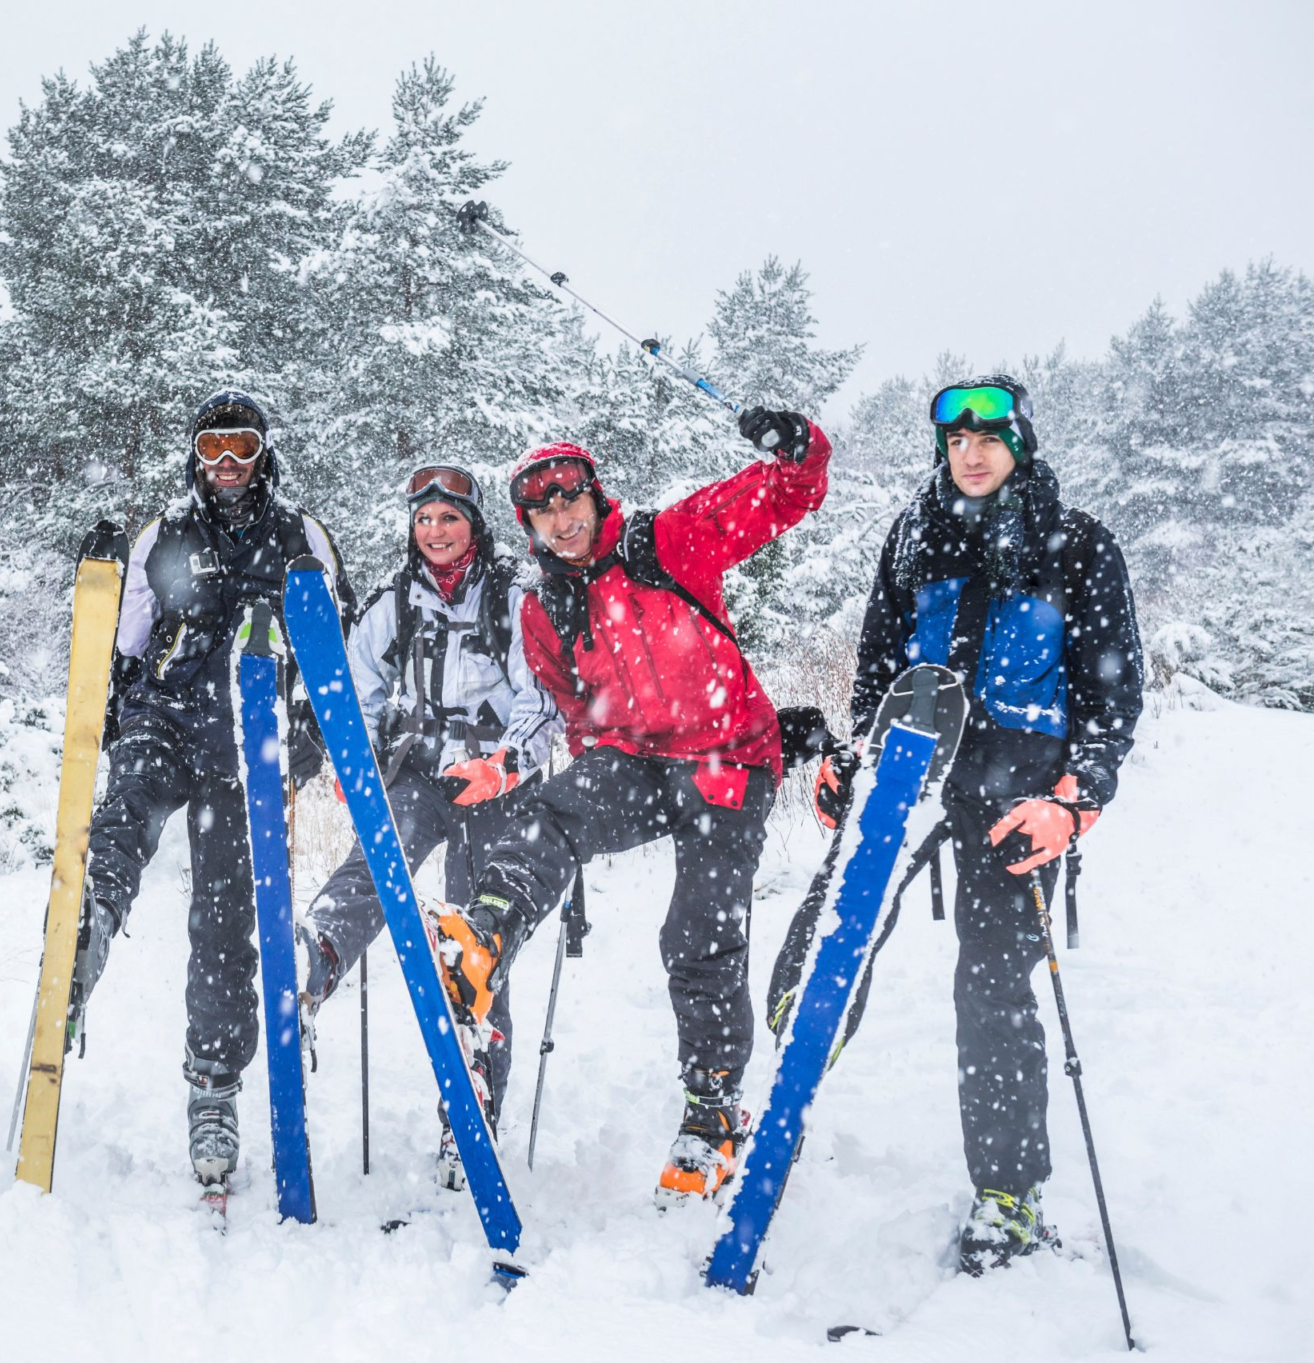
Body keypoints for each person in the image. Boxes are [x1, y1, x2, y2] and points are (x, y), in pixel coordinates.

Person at [768, 375, 1143, 1274]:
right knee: (829, 938)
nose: (970, 454)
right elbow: (877, 668)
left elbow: (1110, 701)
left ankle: (1008, 1192)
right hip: (910, 769)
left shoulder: (1079, 545)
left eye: (989, 438)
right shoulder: (914, 532)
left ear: (1020, 444)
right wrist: (850, 757)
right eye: (956, 440)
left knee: (994, 986)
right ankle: (777, 1092)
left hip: (1017, 790)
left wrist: (1074, 801)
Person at [429, 407, 832, 1205]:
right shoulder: (545, 608)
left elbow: (785, 495)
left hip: (727, 759)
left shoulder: (667, 541)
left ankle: (712, 1115)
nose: (560, 518)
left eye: (570, 497)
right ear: (528, 525)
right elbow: (571, 709)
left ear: (594, 494)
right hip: (636, 760)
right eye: (542, 510)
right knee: (553, 811)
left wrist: (797, 449)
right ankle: (482, 939)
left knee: (697, 929)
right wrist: (570, 767)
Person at [73, 390, 352, 1190]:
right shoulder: (166, 535)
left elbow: (337, 655)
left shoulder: (302, 536)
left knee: (227, 918)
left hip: (248, 746)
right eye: (212, 448)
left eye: (241, 447)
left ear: (265, 452)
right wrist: (109, 721)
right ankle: (87, 930)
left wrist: (305, 743)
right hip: (167, 717)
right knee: (126, 808)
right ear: (194, 455)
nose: (226, 465)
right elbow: (126, 650)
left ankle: (213, 1084)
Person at [298, 464, 559, 1188]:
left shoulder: (513, 599)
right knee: (374, 868)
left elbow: (541, 700)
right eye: (424, 519)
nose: (436, 531)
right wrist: (360, 768)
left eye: (449, 517)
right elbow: (357, 689)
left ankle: (471, 1101)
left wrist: (507, 764)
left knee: (476, 941)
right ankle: (312, 962)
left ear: (474, 524)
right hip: (417, 773)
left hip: (493, 783)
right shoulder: (393, 603)